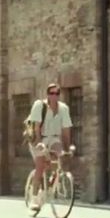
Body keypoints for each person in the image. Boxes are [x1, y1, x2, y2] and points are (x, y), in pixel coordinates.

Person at [24, 83, 74, 211]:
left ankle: (50, 187)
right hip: (38, 138)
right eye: (52, 93)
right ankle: (35, 197)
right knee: (40, 166)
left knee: (59, 156)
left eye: (57, 93)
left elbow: (66, 131)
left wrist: (67, 148)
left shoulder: (64, 109)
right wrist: (39, 143)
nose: (54, 96)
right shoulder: (39, 106)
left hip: (54, 138)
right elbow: (36, 128)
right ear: (47, 95)